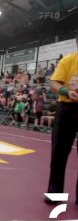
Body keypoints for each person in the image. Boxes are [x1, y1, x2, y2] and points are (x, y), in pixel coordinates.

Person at [45, 33, 78, 205]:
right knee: (59, 152)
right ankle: (55, 193)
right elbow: (54, 84)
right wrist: (67, 92)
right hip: (67, 107)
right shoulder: (68, 61)